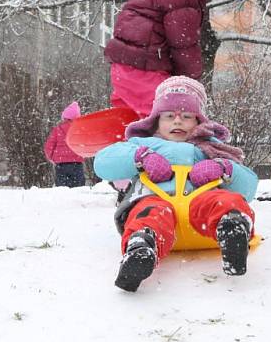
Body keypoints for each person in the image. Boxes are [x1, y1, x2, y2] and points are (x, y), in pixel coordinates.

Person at [94, 76, 258, 292]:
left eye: (187, 116)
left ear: (199, 122)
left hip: (201, 208)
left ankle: (231, 229)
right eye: (169, 116)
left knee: (223, 200)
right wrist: (140, 157)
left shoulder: (211, 149)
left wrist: (223, 168)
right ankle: (142, 248)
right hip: (156, 201)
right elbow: (103, 163)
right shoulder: (141, 144)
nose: (177, 121)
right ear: (156, 121)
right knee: (150, 212)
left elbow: (248, 187)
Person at [43, 101, 85, 187]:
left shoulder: (57, 129)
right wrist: (82, 155)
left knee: (62, 190)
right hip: (77, 164)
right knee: (78, 189)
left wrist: (52, 158)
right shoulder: (79, 130)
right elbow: (86, 144)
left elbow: (49, 146)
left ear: (65, 117)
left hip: (61, 164)